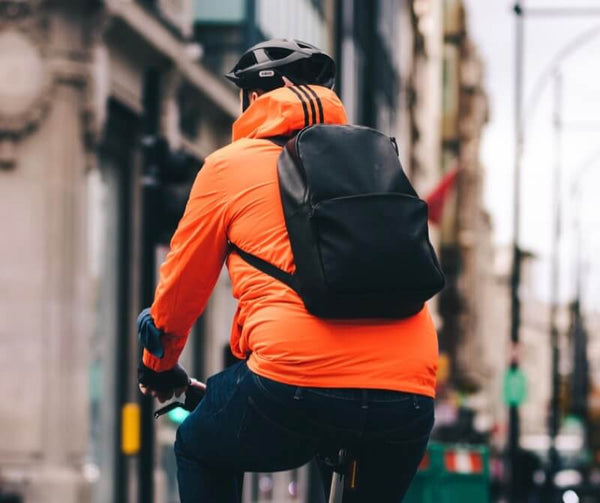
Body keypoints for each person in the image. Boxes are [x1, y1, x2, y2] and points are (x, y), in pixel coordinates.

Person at [137, 39, 438, 502]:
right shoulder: (378, 160)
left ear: (255, 98)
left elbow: (181, 285)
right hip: (408, 391)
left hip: (291, 382)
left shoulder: (227, 167)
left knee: (199, 446)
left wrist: (160, 365)